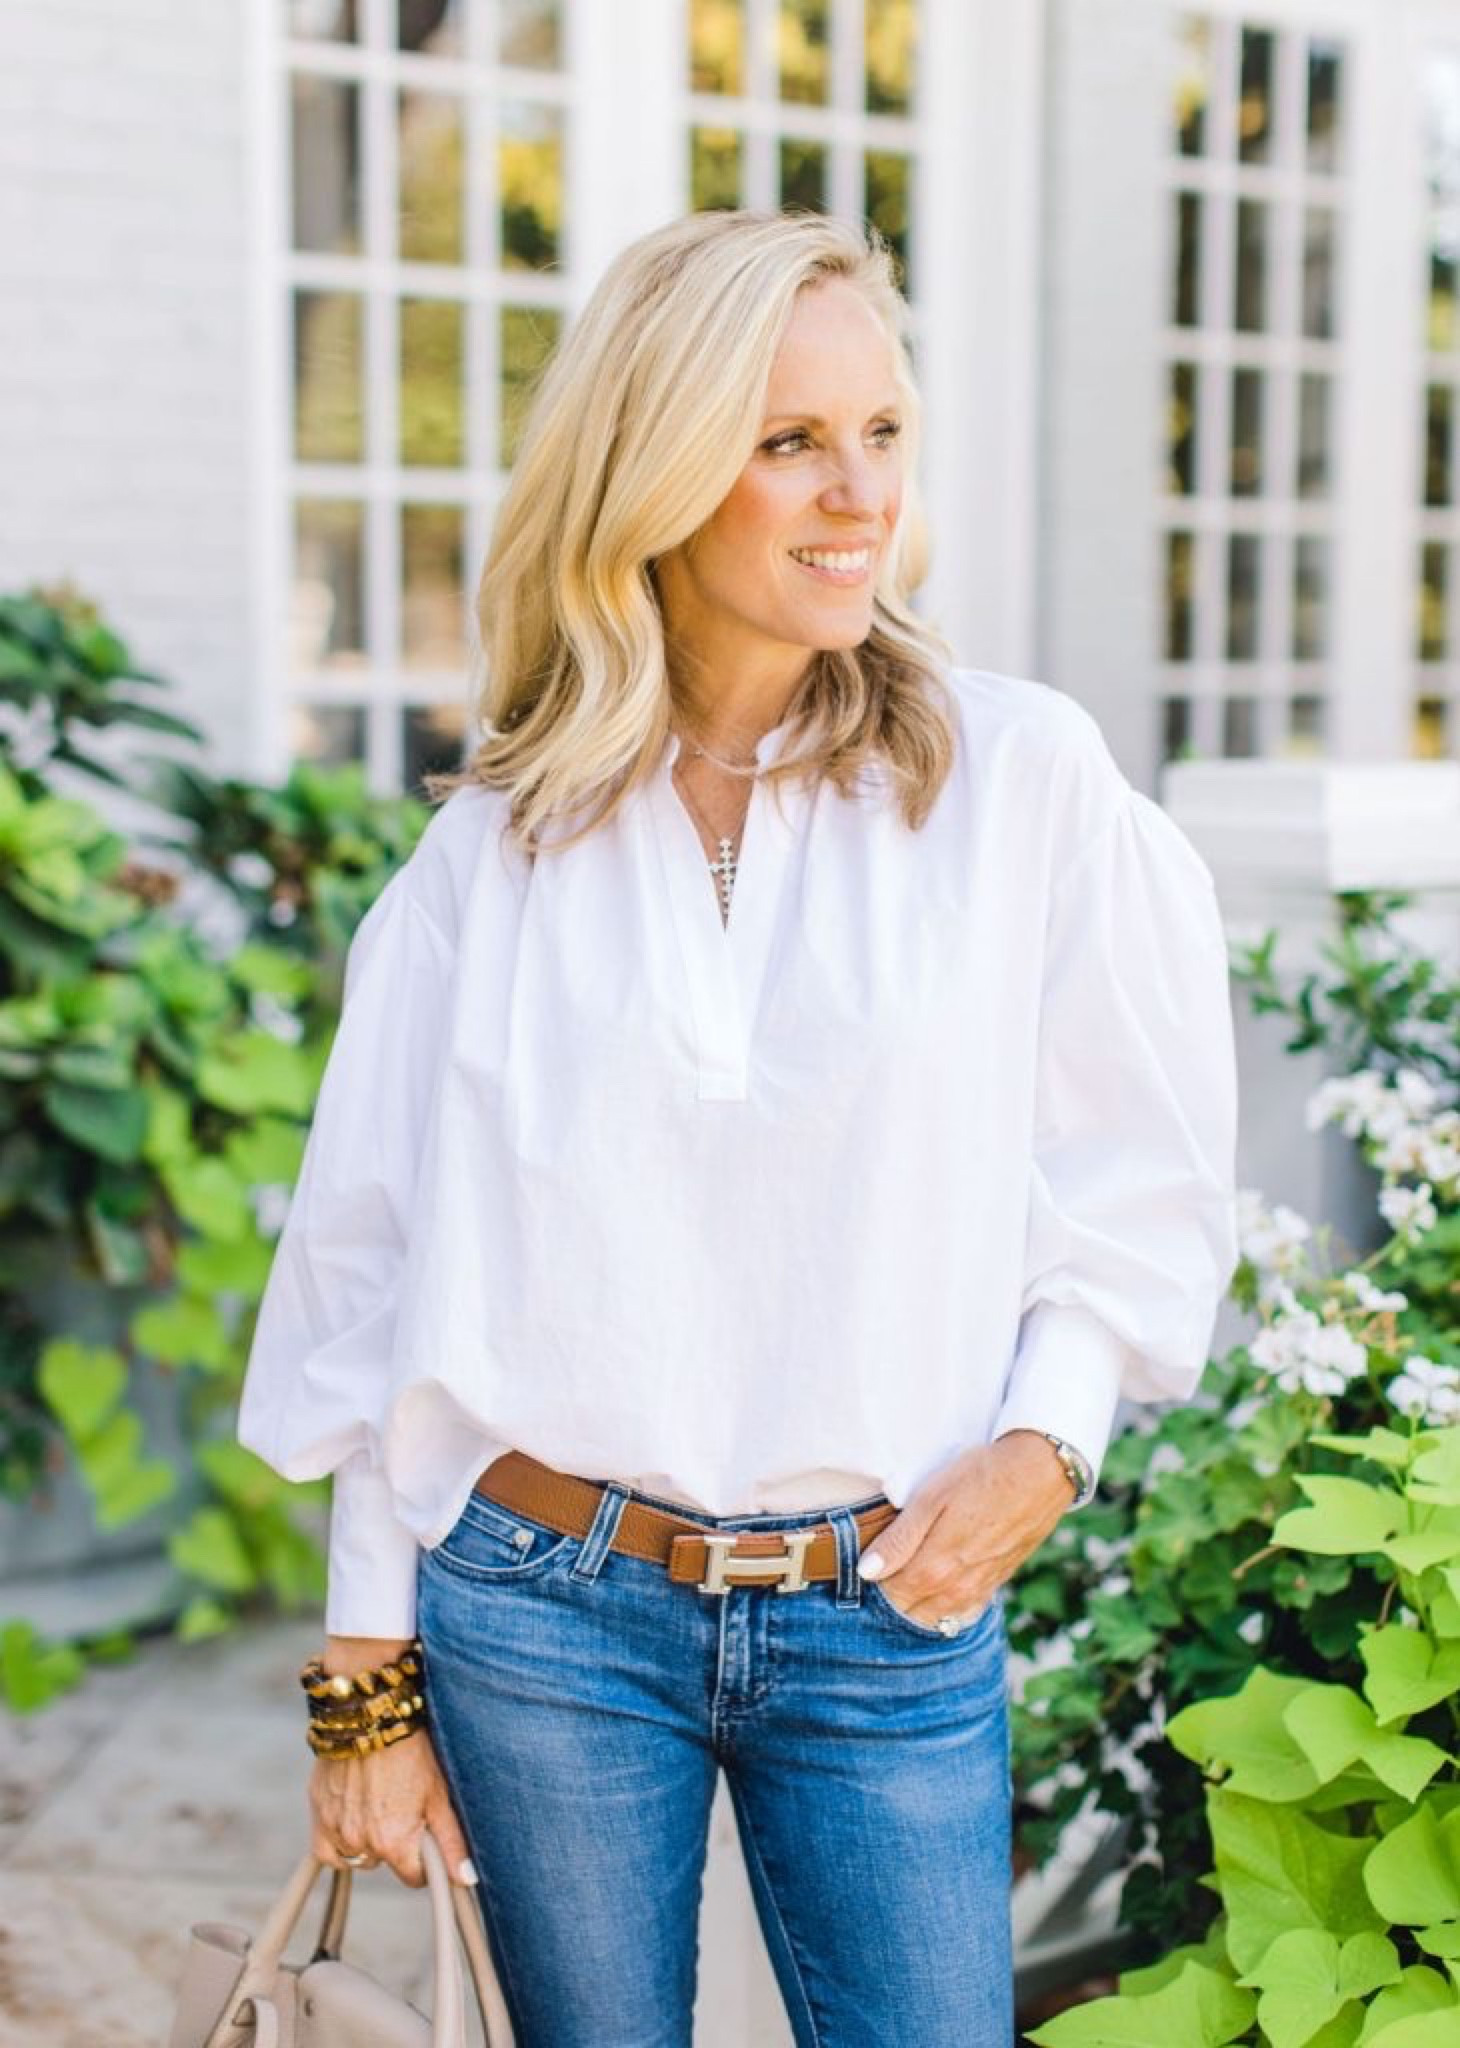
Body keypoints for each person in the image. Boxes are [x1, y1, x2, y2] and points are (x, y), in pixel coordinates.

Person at [237, 208, 1238, 2048]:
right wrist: (364, 1686)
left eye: (879, 435)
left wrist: (1052, 1441)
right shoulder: (495, 858)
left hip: (890, 1606)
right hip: (545, 1612)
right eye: (788, 442)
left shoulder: (1020, 787)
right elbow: (380, 1272)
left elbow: (1139, 1171)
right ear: (659, 471)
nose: (855, 494)